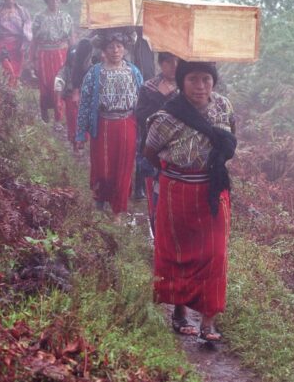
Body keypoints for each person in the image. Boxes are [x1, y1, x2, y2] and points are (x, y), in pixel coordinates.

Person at [144, 60, 237, 342]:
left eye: (206, 80)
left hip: (212, 190)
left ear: (214, 82)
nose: (200, 86)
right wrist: (174, 172)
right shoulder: (168, 115)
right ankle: (179, 311)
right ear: (182, 82)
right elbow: (149, 150)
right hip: (178, 190)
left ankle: (208, 321)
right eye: (193, 79)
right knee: (178, 252)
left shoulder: (223, 107)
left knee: (215, 254)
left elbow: (230, 140)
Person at [75, 30, 143, 224]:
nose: (115, 50)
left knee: (123, 167)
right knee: (103, 166)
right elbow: (85, 104)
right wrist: (80, 134)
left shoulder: (133, 72)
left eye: (119, 46)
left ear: (125, 49)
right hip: (103, 124)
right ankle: (101, 200)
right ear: (104, 49)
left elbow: (142, 101)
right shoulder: (95, 73)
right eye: (111, 46)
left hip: (127, 123)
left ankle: (118, 211)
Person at [135, 52, 179, 227]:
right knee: (155, 192)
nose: (174, 66)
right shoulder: (149, 87)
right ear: (161, 63)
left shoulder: (188, 87)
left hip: (178, 150)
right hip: (153, 148)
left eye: (178, 61)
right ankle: (157, 230)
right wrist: (160, 98)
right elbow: (141, 118)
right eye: (169, 62)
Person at [31, 0, 73, 127]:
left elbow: (71, 38)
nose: (54, 2)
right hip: (44, 54)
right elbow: (34, 40)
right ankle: (44, 110)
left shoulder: (66, 17)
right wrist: (33, 59)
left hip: (61, 54)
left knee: (58, 85)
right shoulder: (39, 17)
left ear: (60, 0)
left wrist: (73, 56)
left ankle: (58, 118)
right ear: (46, 0)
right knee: (45, 85)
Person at [54, 39, 94, 151]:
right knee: (73, 121)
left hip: (84, 98)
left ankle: (82, 141)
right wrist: (58, 100)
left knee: (84, 120)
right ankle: (75, 142)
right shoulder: (65, 70)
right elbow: (59, 81)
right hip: (70, 98)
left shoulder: (88, 68)